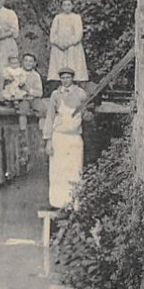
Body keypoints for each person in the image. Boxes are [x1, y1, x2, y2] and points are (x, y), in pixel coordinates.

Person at [42, 66, 85, 209]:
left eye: (68, 77)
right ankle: (57, 203)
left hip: (74, 139)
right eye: (63, 78)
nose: (65, 80)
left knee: (74, 169)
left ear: (72, 78)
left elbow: (87, 112)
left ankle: (74, 203)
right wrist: (48, 141)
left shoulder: (80, 94)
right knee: (57, 171)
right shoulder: (55, 95)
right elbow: (50, 118)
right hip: (59, 137)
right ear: (60, 79)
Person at [47, 0, 89, 83]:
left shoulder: (76, 17)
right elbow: (53, 34)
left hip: (72, 47)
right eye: (64, 5)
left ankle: (74, 85)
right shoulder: (57, 18)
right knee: (59, 66)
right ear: (61, 6)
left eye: (69, 5)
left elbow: (78, 34)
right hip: (59, 47)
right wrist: (58, 43)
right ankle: (59, 86)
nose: (67, 7)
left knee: (73, 66)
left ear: (72, 6)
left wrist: (68, 43)